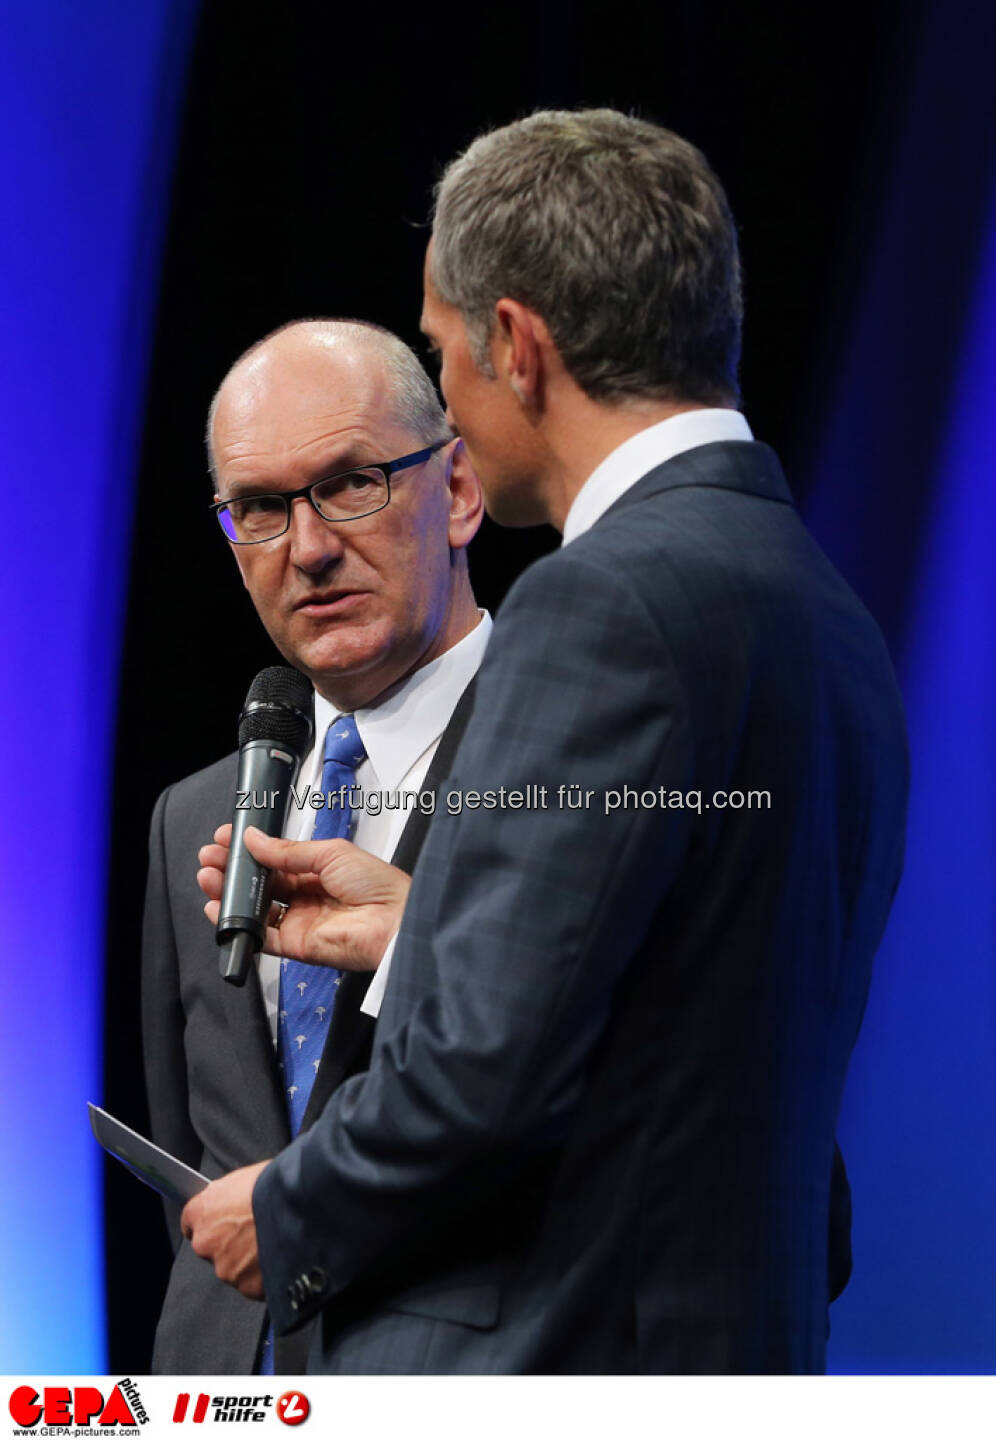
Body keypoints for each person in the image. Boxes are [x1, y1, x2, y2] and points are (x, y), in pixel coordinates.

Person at [184, 110, 908, 1373]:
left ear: (515, 345)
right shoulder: (821, 606)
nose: (449, 393)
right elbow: (682, 1022)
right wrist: (429, 923)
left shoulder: (598, 601)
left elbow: (487, 1075)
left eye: (441, 350)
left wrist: (289, 1205)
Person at [142, 318, 486, 1373]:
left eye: (350, 484)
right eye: (258, 508)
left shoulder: (589, 765)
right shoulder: (192, 816)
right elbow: (204, 1152)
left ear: (460, 490)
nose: (308, 547)